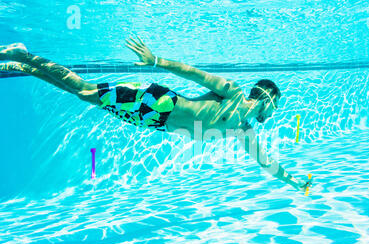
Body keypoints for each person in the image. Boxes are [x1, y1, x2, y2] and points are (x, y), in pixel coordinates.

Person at [0, 38, 312, 191]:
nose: (273, 115)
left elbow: (267, 163)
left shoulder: (243, 131)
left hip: (150, 120)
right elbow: (194, 74)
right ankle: (21, 57)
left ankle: (21, 61)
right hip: (157, 101)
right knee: (83, 91)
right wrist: (156, 59)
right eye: (276, 107)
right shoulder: (232, 93)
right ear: (269, 99)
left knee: (83, 95)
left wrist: (295, 182)